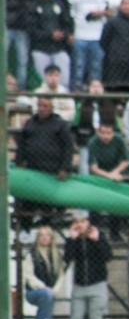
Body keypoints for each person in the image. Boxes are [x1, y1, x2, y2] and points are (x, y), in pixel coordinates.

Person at [14, 97, 74, 234]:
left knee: (47, 207)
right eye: (40, 105)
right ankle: (25, 230)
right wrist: (19, 163)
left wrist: (64, 168)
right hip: (32, 171)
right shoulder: (30, 123)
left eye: (45, 106)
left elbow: (68, 147)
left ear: (51, 108)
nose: (42, 108)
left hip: (51, 172)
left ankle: (46, 231)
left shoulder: (59, 124)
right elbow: (21, 146)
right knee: (27, 202)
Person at [64, 210, 113, 319]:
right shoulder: (73, 239)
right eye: (76, 222)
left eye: (82, 221)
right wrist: (72, 240)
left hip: (97, 283)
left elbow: (108, 257)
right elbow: (67, 259)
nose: (79, 225)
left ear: (89, 223)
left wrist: (97, 241)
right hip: (79, 285)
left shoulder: (99, 236)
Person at [68, 0, 113, 91]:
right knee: (78, 69)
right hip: (80, 35)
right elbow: (70, 15)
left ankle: (94, 96)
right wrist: (71, 33)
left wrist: (101, 13)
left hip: (98, 36)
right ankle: (76, 95)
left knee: (96, 69)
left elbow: (109, 12)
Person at [29, 0, 73, 89]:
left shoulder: (59, 4)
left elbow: (67, 23)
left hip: (59, 48)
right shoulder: (33, 6)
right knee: (42, 82)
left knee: (64, 81)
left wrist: (65, 34)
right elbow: (31, 29)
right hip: (40, 48)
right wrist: (49, 35)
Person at [22, 225, 65, 319]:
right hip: (33, 291)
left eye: (47, 235)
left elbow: (61, 275)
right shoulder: (31, 254)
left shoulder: (56, 255)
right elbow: (28, 275)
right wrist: (43, 286)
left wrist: (56, 289)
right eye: (41, 235)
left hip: (50, 291)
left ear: (51, 238)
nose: (44, 237)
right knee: (46, 294)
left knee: (49, 294)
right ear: (37, 238)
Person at [99, 0, 129, 90]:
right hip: (115, 62)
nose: (127, 6)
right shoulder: (112, 22)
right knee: (114, 87)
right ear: (120, 6)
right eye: (124, 4)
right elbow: (104, 41)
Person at [7, 0, 35, 89]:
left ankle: (21, 88)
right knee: (2, 57)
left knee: (22, 59)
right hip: (6, 24)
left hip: (22, 25)